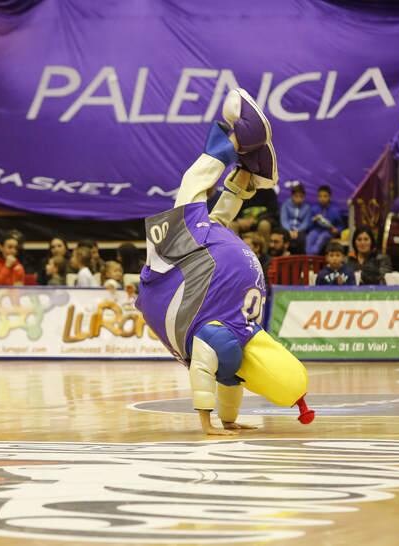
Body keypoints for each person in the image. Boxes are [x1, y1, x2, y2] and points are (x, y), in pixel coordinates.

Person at [135, 88, 314, 435]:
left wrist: (209, 423)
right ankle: (246, 175)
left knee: (192, 191)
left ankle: (239, 138)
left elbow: (201, 368)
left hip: (173, 281)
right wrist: (227, 421)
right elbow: (229, 383)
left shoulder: (224, 343)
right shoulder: (242, 347)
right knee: (212, 222)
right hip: (201, 277)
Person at [306, 185, 343, 255]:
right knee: (310, 236)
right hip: (316, 230)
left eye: (325, 196)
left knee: (322, 238)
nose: (322, 198)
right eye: (320, 196)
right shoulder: (314, 209)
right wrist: (313, 220)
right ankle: (308, 256)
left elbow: (340, 225)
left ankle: (313, 255)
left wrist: (337, 230)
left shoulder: (335, 211)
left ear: (330, 197)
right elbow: (308, 226)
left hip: (328, 232)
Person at [280, 183, 311, 254]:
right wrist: (289, 231)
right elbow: (284, 220)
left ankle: (299, 260)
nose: (299, 199)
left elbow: (306, 223)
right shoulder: (286, 204)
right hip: (287, 229)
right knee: (283, 237)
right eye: (296, 196)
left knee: (301, 238)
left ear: (304, 197)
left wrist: (297, 231)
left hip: (300, 231)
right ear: (292, 196)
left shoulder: (307, 207)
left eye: (301, 196)